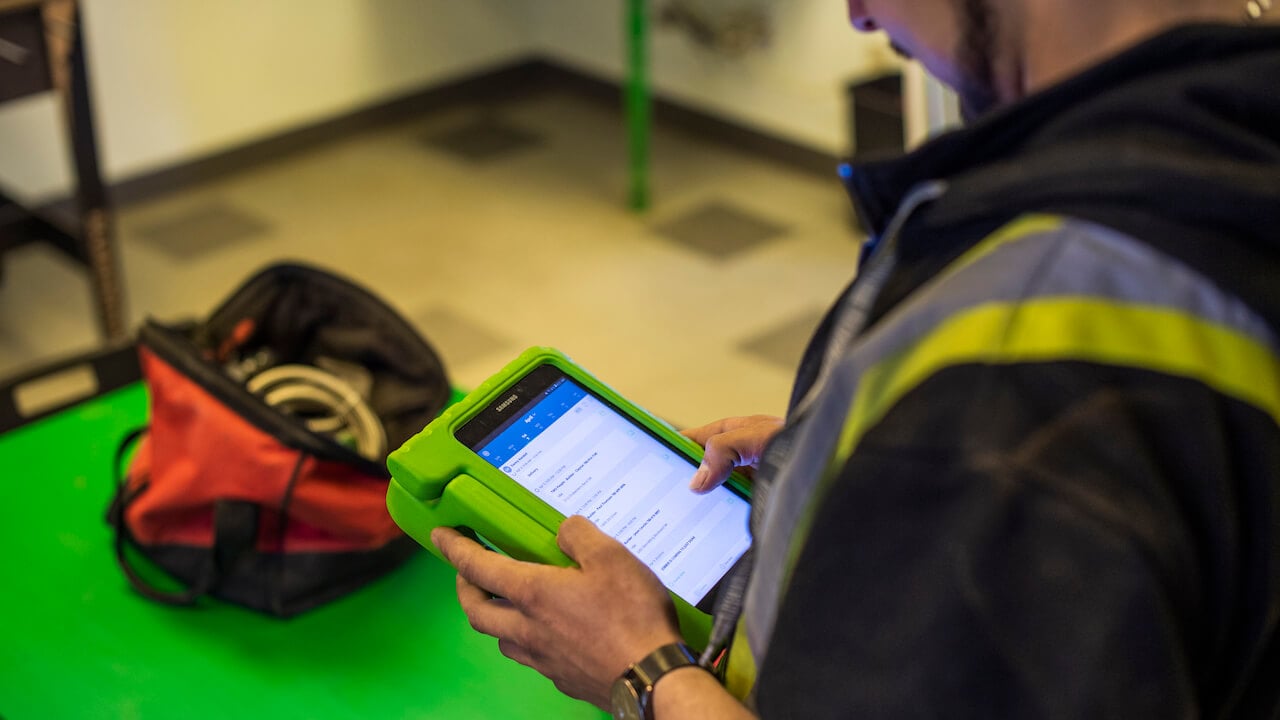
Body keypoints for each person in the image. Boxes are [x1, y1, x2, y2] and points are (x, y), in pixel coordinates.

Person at [431, 0, 1280, 716]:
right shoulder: (1229, 159)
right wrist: (855, 458)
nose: (860, 12)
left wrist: (643, 671)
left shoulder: (1011, 369)